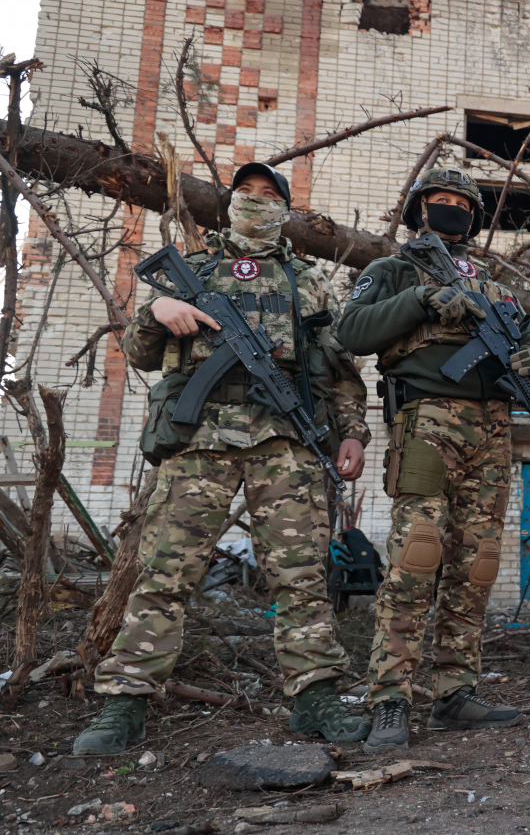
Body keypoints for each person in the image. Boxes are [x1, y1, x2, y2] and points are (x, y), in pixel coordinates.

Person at [73, 163, 372, 756]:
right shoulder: (195, 268)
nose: (256, 203)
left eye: (269, 196)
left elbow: (341, 373)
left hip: (285, 443)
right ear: (230, 203)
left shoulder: (306, 280)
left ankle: (314, 694)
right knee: (164, 574)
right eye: (247, 194)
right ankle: (124, 701)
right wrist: (155, 312)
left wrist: (354, 435)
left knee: (302, 579)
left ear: (286, 210)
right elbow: (139, 354)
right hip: (198, 442)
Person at [336, 168, 530, 750]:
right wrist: (419, 299)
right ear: (419, 209)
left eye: (463, 202)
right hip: (427, 419)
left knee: (477, 561)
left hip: (492, 429)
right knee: (416, 555)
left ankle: (456, 692)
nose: (453, 208)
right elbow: (349, 332)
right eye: (441, 200)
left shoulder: (493, 284)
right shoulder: (391, 270)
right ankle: (390, 699)